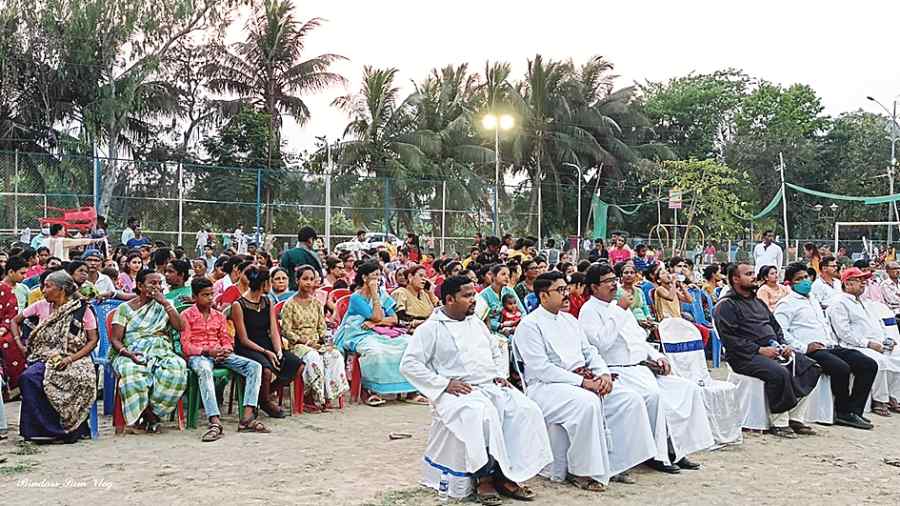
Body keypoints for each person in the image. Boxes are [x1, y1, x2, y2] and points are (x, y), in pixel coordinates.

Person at [400, 275, 552, 504]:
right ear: (449, 299)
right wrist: (444, 384)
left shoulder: (476, 323)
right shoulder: (430, 329)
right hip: (457, 391)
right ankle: (485, 479)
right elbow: (409, 365)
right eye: (468, 296)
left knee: (525, 409)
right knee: (481, 415)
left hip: (488, 384)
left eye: (474, 294)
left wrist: (499, 376)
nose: (474, 300)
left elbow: (494, 350)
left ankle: (506, 474)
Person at [515, 271, 658, 488]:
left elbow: (590, 352)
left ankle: (616, 464)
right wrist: (583, 382)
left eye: (566, 288)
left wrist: (603, 374)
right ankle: (581, 470)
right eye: (560, 290)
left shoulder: (570, 320)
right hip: (547, 387)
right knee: (587, 403)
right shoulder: (529, 325)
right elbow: (541, 369)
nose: (566, 294)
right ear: (543, 296)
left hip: (582, 379)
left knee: (629, 399)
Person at [579, 263, 713, 472]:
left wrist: (658, 357)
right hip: (619, 369)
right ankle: (657, 454)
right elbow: (600, 344)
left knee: (687, 389)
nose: (614, 285)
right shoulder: (589, 311)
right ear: (594, 287)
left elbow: (638, 339)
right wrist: (620, 311)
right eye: (608, 282)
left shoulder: (617, 307)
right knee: (653, 395)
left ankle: (676, 449)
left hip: (642, 367)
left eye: (614, 280)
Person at [713, 262, 822, 438]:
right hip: (745, 357)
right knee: (779, 372)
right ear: (735, 279)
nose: (753, 276)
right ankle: (779, 422)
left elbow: (776, 327)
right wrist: (759, 350)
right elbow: (730, 340)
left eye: (752, 273)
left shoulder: (757, 302)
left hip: (773, 350)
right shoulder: (726, 305)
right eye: (748, 274)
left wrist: (783, 345)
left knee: (811, 366)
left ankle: (795, 417)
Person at [774, 263, 877, 429]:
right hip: (810, 349)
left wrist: (831, 341)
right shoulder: (786, 304)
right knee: (841, 368)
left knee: (868, 364)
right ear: (790, 283)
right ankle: (843, 412)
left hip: (829, 345)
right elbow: (781, 332)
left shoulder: (813, 299)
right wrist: (804, 347)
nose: (805, 281)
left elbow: (823, 324)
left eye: (806, 277)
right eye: (799, 279)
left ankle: (854, 410)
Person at [8, 271, 97, 442]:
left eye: (48, 286)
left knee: (78, 378)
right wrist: (20, 344)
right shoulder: (40, 306)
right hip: (43, 356)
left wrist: (69, 359)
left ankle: (67, 430)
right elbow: (14, 321)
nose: (43, 290)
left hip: (74, 357)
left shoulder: (81, 309)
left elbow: (92, 341)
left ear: (61, 289)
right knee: (29, 377)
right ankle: (38, 430)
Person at [179, 277, 269, 440]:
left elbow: (227, 339)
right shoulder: (186, 315)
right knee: (205, 370)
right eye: (205, 295)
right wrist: (208, 351)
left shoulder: (219, 316)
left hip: (220, 354)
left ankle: (247, 417)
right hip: (199, 356)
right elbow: (186, 346)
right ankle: (214, 421)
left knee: (254, 367)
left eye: (211, 294)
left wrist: (226, 350)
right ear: (195, 296)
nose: (210, 298)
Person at [332, 261, 424, 406]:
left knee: (409, 344)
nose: (379, 279)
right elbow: (376, 315)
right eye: (375, 276)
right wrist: (374, 295)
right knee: (376, 351)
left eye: (380, 275)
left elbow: (393, 319)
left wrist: (377, 323)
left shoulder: (383, 294)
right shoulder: (357, 297)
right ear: (364, 278)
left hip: (381, 331)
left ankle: (411, 390)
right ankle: (370, 390)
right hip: (360, 333)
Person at [110, 269, 188, 433]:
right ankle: (146, 416)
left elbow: (181, 327)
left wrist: (166, 304)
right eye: (153, 283)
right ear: (140, 285)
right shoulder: (124, 308)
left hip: (161, 350)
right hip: (132, 351)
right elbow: (116, 339)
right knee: (132, 372)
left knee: (177, 368)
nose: (158, 287)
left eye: (160, 283)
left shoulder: (166, 305)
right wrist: (128, 354)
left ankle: (153, 413)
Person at [826, 267, 900, 416]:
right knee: (879, 361)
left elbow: (879, 324)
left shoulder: (865, 303)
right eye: (859, 280)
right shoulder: (839, 303)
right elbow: (844, 333)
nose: (863, 283)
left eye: (863, 280)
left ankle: (894, 396)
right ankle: (880, 400)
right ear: (847, 284)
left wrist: (887, 339)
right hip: (854, 345)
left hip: (877, 342)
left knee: (897, 355)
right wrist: (868, 343)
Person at [231, 266, 302, 418]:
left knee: (296, 364)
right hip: (248, 346)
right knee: (266, 370)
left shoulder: (267, 301)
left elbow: (274, 330)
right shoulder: (239, 305)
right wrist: (266, 352)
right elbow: (243, 339)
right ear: (263, 284)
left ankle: (263, 394)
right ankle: (265, 402)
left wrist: (278, 351)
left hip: (266, 342)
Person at [279, 266, 350, 411]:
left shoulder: (317, 303)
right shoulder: (289, 305)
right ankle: (309, 396)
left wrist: (327, 342)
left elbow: (321, 327)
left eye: (312, 279)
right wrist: (307, 342)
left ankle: (328, 396)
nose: (309, 283)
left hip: (316, 343)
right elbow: (286, 331)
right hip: (298, 345)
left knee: (334, 354)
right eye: (305, 279)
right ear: (297, 280)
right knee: (313, 357)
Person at [474, 264, 525, 376]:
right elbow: (481, 320)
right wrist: (500, 325)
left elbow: (522, 310)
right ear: (493, 276)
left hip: (515, 325)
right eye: (503, 274)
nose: (507, 277)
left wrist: (521, 324)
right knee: (509, 341)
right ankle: (511, 374)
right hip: (494, 330)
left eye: (508, 274)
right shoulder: (484, 295)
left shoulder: (509, 291)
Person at [391, 265, 439, 331]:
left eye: (425, 277)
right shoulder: (400, 293)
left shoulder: (425, 294)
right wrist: (423, 323)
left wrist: (431, 293)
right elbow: (401, 319)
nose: (424, 279)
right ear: (410, 277)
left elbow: (439, 310)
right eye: (421, 275)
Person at [615, 262, 655, 332]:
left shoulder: (639, 291)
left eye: (632, 273)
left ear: (636, 275)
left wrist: (649, 318)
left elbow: (644, 307)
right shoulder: (617, 292)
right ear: (621, 276)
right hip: (627, 325)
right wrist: (637, 322)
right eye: (626, 273)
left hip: (644, 323)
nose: (629, 275)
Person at [280, 226, 323, 291]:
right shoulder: (313, 256)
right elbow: (320, 278)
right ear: (310, 240)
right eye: (314, 240)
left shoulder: (287, 254)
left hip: (291, 292)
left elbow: (282, 273)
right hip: (310, 292)